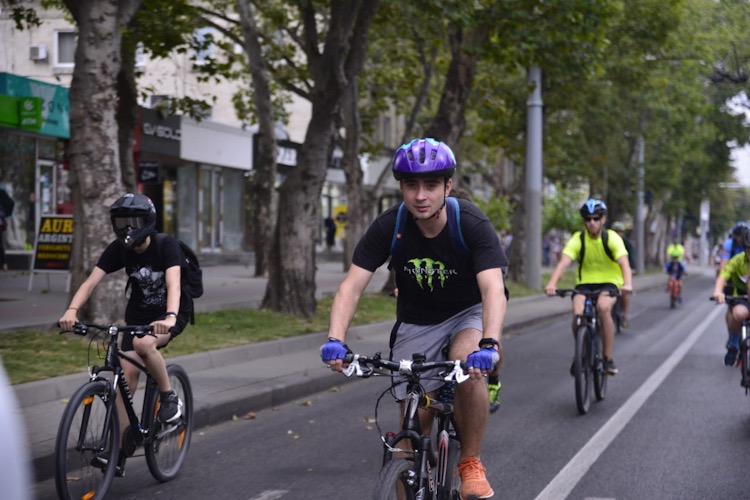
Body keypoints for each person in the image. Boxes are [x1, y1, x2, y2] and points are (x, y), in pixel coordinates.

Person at [321, 138, 508, 499]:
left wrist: (490, 342)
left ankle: (469, 462)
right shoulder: (390, 226)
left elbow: (493, 290)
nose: (420, 195)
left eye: (431, 185)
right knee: (411, 427)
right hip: (417, 321)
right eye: (411, 185)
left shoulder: (470, 222)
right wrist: (335, 339)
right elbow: (351, 287)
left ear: (447, 187)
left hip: (467, 311)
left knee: (467, 362)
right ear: (402, 187)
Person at [58, 193, 189, 476]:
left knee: (144, 343)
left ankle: (168, 397)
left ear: (148, 222)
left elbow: (174, 284)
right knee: (124, 377)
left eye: (134, 222)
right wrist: (71, 310)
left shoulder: (166, 246)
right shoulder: (119, 249)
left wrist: (169, 317)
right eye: (122, 222)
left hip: (170, 313)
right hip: (138, 316)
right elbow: (90, 282)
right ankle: (119, 448)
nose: (128, 229)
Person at [544, 199, 633, 375]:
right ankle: (582, 354)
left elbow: (624, 264)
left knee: (603, 308)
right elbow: (563, 264)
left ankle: (607, 359)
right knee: (578, 313)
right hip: (584, 283)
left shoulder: (612, 238)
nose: (592, 222)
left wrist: (627, 284)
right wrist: (552, 283)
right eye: (588, 219)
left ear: (603, 219)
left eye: (596, 218)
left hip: (609, 282)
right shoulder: (578, 239)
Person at [713, 229, 750, 374]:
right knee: (739, 314)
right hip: (741, 299)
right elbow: (723, 275)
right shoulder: (737, 260)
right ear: (744, 249)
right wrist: (718, 291)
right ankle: (734, 344)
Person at [611, 221, 635, 327]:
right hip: (610, 272)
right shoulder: (607, 241)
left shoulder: (626, 243)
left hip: (623, 271)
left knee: (624, 293)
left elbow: (632, 257)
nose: (617, 234)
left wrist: (633, 268)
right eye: (615, 232)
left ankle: (624, 315)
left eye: (619, 232)